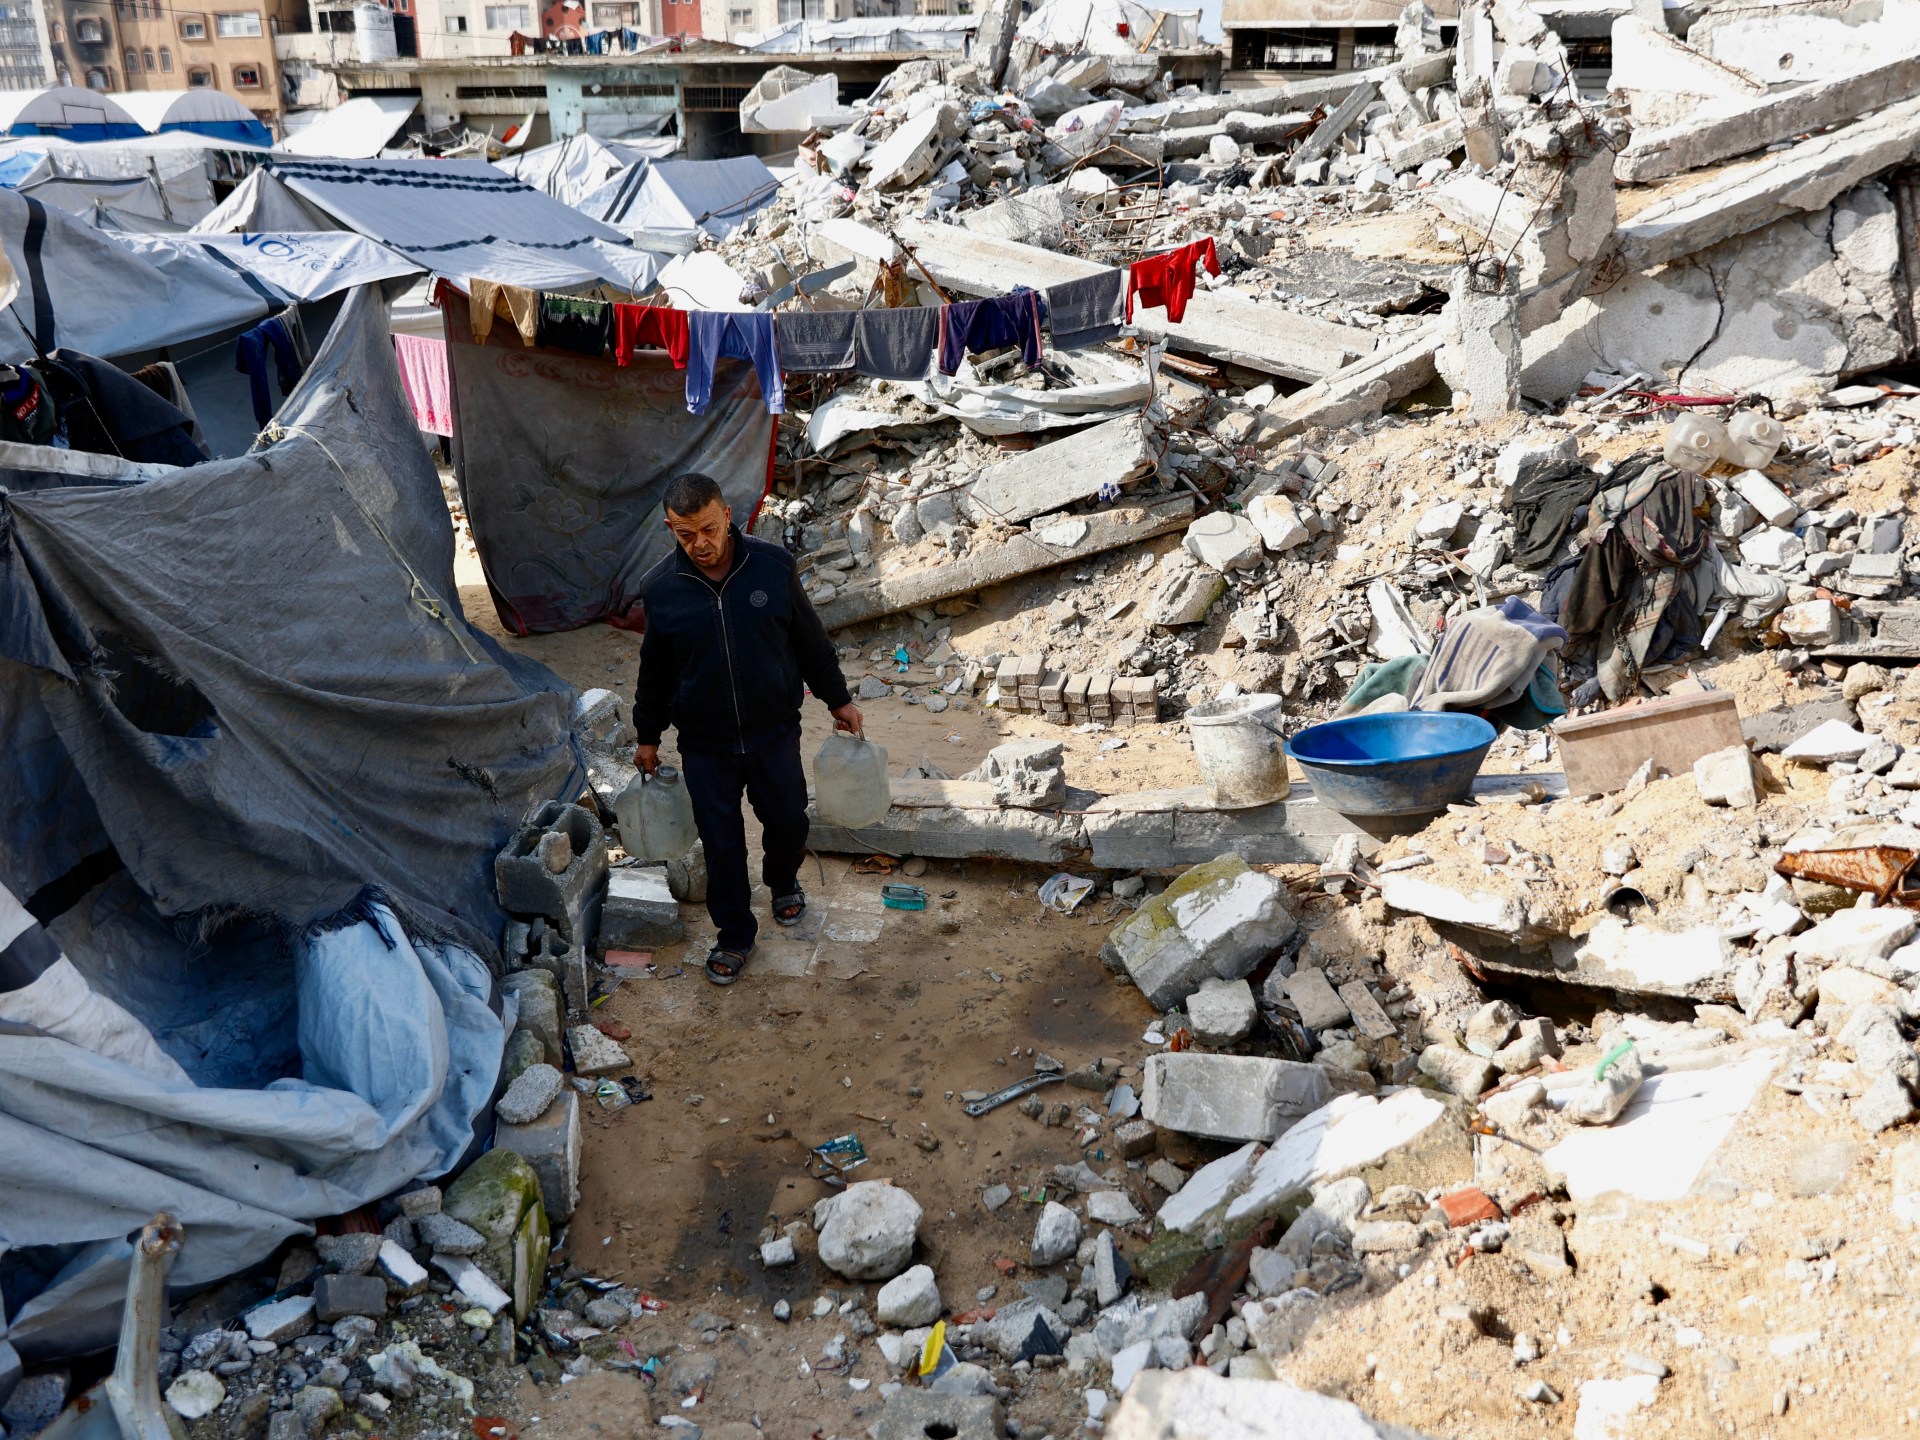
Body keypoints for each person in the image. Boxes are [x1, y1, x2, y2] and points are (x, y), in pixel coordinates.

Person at [632, 472, 862, 985]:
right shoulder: (661, 589)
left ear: (727, 515)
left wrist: (839, 699)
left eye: (709, 529)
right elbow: (655, 672)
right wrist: (647, 735)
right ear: (670, 529)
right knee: (721, 843)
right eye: (686, 534)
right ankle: (735, 934)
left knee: (788, 822)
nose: (700, 544)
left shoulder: (772, 567)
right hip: (705, 744)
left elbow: (810, 642)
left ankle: (782, 880)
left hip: (773, 732)